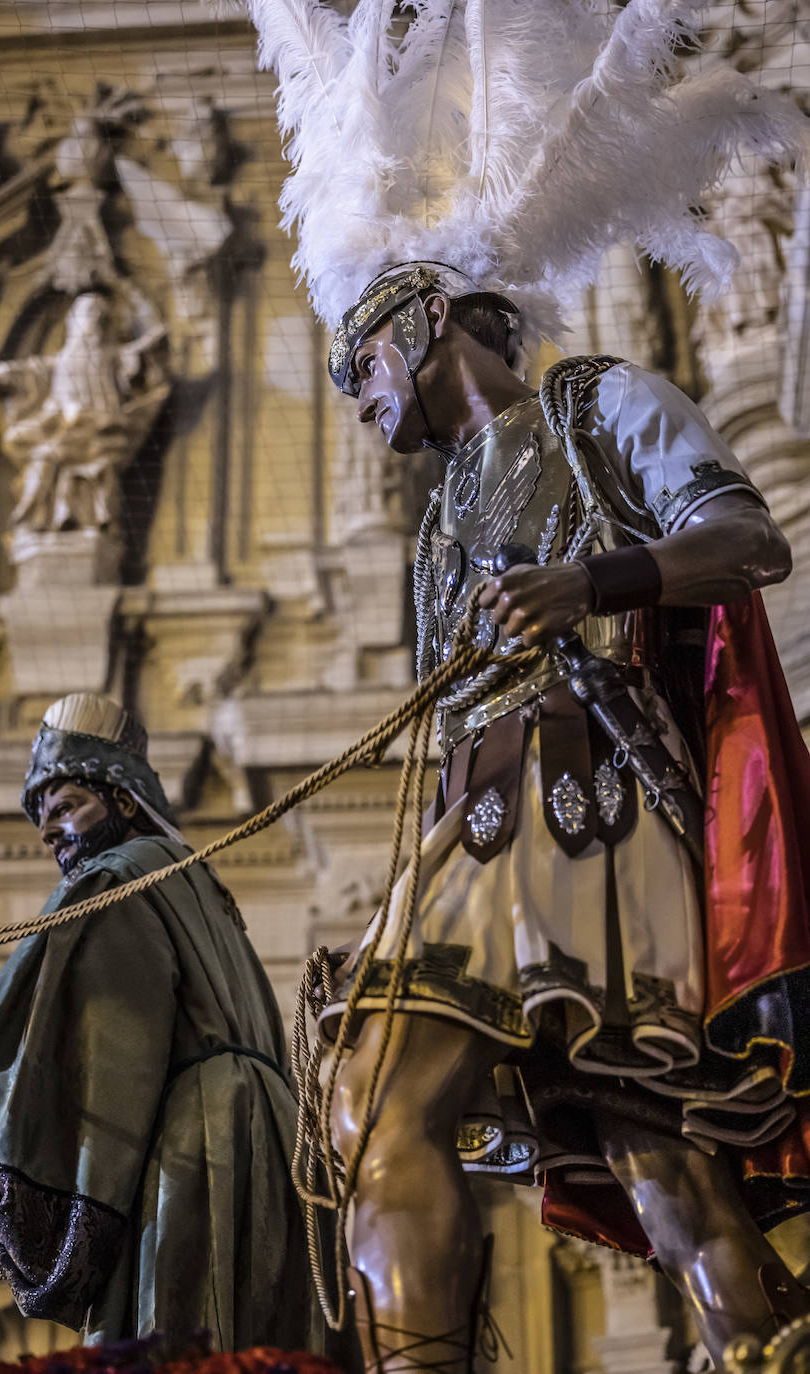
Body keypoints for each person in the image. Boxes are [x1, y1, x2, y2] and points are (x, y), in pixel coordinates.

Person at [318, 265, 810, 1371]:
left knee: (654, 1156)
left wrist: (592, 584)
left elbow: (751, 543)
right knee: (391, 1099)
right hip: (478, 831)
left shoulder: (597, 406)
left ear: (427, 317)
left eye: (364, 365)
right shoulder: (436, 526)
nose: (357, 399)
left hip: (595, 805)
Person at [0, 692, 320, 1351]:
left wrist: (2, 1131)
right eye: (43, 816)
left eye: (65, 805)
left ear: (123, 799)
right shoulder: (201, 883)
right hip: (271, 1138)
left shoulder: (114, 881)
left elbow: (108, 1062)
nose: (48, 831)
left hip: (194, 1148)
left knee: (182, 1341)